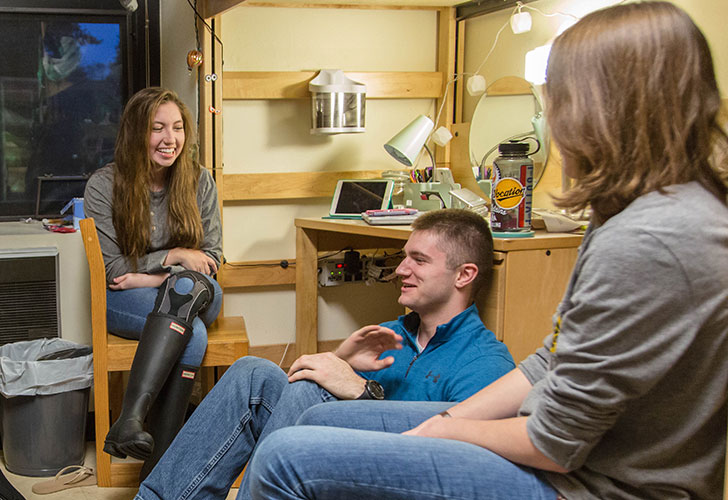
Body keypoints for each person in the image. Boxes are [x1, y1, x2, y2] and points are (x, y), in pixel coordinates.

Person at [244, 3, 728, 499]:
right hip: (561, 449)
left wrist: (443, 431)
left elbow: (554, 444)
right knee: (321, 415)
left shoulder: (653, 241)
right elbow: (550, 362)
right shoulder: (628, 214)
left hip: (592, 486)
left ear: (604, 109)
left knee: (288, 459)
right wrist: (450, 418)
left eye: (558, 100)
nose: (554, 126)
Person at [135, 208, 516, 499]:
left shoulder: (485, 363)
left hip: (383, 477)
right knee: (254, 374)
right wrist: (342, 361)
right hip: (329, 460)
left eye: (418, 260)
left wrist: (364, 392)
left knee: (308, 390)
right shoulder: (392, 335)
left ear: (464, 275)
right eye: (404, 257)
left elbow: (451, 466)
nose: (400, 269)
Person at [84, 87, 224, 478]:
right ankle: (159, 477)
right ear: (135, 133)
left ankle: (129, 419)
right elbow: (113, 270)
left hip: (195, 291)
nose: (170, 139)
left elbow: (212, 259)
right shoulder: (103, 185)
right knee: (191, 334)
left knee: (186, 291)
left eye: (177, 128)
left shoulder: (200, 180)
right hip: (127, 300)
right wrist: (175, 256)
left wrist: (151, 275)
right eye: (157, 128)